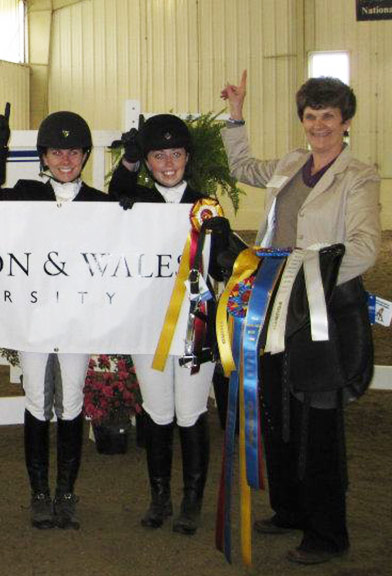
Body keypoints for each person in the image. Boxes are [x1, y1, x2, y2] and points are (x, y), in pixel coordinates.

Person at [220, 72, 380, 565]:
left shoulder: (359, 176)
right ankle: (289, 509)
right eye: (311, 117)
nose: (318, 125)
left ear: (345, 122)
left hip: (322, 313)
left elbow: (365, 248)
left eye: (328, 116)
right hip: (273, 309)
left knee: (318, 421)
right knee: (275, 409)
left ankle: (328, 533)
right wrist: (236, 115)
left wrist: (308, 271)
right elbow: (244, 166)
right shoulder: (292, 163)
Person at [0, 105, 111, 530]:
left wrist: (128, 180)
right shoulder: (23, 194)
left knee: (71, 401)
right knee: (37, 401)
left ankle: (67, 492)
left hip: (77, 321)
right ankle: (39, 492)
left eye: (74, 153)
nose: (66, 161)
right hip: (33, 320)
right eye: (57, 152)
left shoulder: (102, 204)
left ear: (85, 157)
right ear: (44, 157)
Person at [109, 113, 214, 536]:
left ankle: (191, 499)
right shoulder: (135, 203)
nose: (168, 163)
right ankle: (159, 497)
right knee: (157, 413)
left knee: (190, 413)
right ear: (148, 162)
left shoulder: (207, 206)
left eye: (175, 154)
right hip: (148, 328)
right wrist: (128, 162)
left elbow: (222, 261)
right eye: (158, 155)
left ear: (187, 157)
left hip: (196, 327)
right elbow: (112, 194)